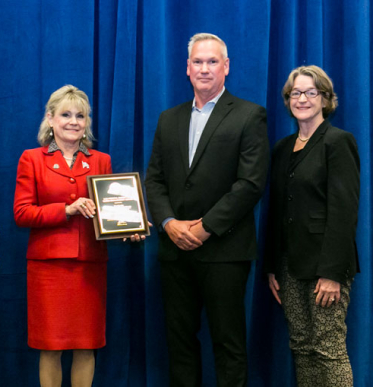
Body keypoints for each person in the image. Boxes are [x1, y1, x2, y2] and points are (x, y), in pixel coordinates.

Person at [145, 33, 269, 386]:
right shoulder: (168, 118)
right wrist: (168, 223)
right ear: (187, 68)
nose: (204, 68)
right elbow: (154, 180)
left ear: (226, 67)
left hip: (225, 251)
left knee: (228, 344)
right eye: (197, 62)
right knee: (179, 343)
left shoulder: (249, 115)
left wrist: (204, 228)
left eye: (212, 61)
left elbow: (250, 185)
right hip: (174, 252)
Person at [14, 85, 145, 387]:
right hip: (48, 269)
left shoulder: (101, 161)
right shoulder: (31, 159)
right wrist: (67, 209)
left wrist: (130, 229)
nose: (73, 121)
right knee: (50, 347)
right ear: (50, 119)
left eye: (80, 116)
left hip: (90, 267)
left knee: (87, 346)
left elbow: (111, 215)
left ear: (87, 122)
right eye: (65, 115)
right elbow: (22, 213)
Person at [264, 65, 359, 386]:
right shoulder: (281, 149)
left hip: (326, 267)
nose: (302, 99)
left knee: (328, 348)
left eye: (310, 92)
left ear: (325, 99)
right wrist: (272, 266)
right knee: (302, 346)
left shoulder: (338, 142)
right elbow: (276, 211)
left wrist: (332, 273)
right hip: (290, 265)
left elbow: (344, 212)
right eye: (295, 93)